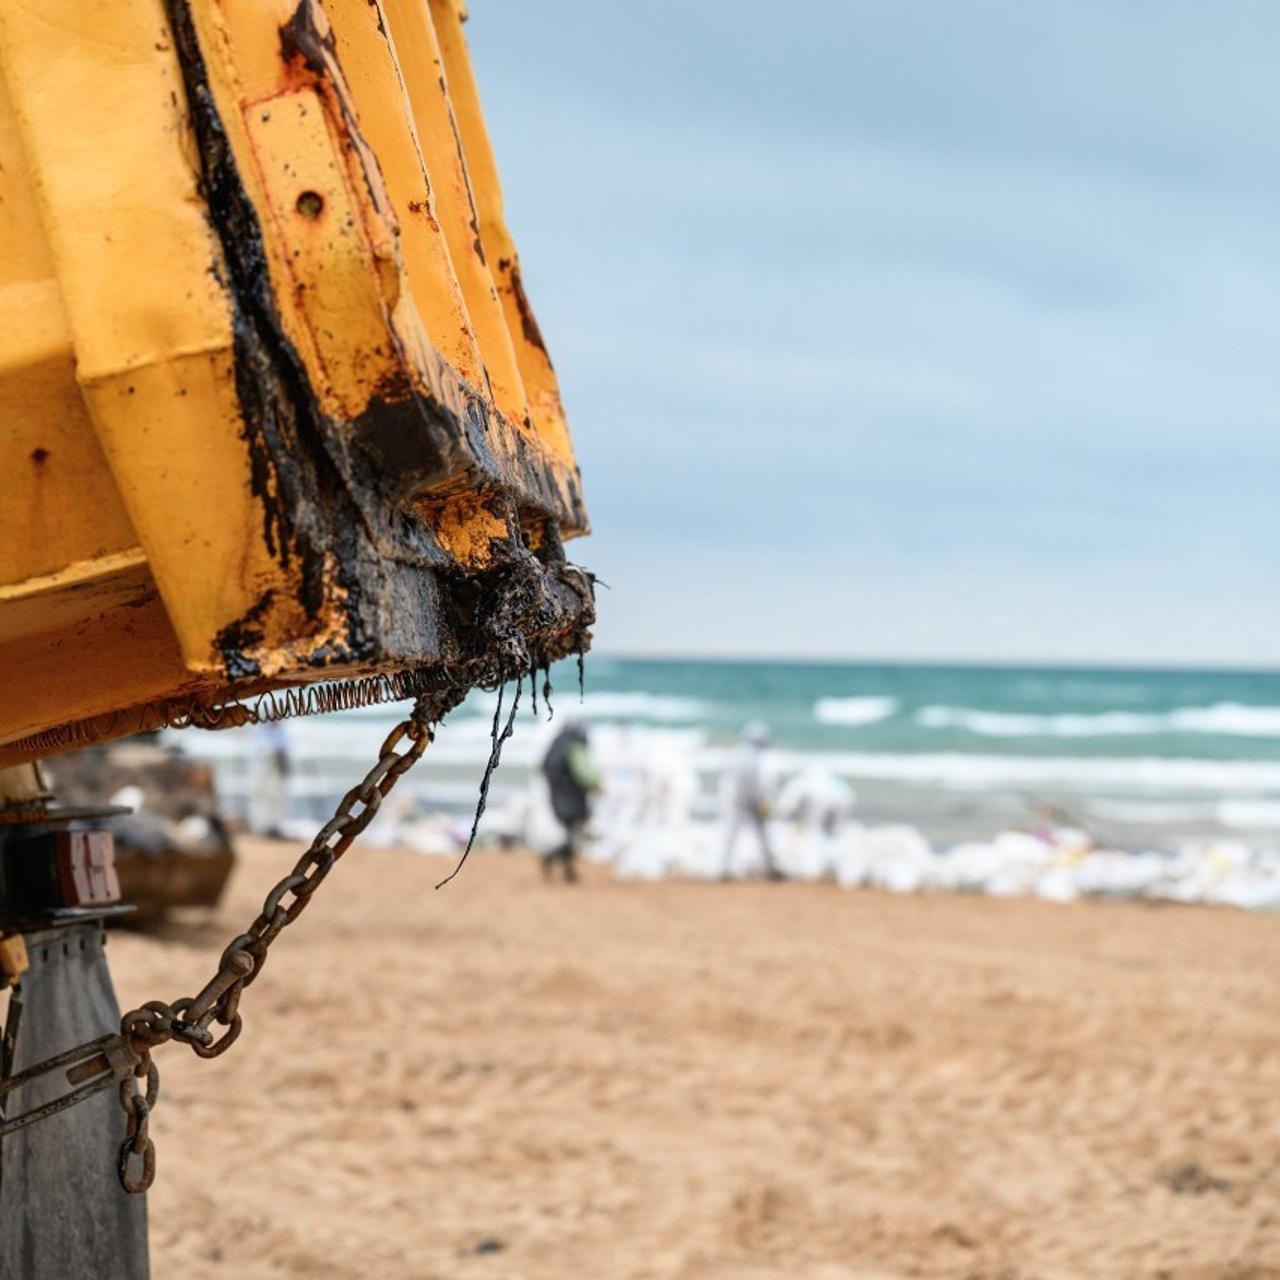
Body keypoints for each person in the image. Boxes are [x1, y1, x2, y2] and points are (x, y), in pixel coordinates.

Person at [722, 722, 784, 880]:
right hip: (747, 803)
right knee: (762, 837)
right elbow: (754, 784)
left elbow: (729, 782)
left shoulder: (738, 756)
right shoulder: (753, 759)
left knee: (733, 837)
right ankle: (770, 868)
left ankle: (724, 868)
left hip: (739, 802)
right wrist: (760, 802)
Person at [539, 721, 600, 882]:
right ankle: (551, 857)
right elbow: (586, 774)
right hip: (573, 801)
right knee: (573, 838)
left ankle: (569, 870)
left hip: (557, 799)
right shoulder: (574, 748)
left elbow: (542, 769)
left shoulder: (556, 747)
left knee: (570, 836)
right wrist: (598, 786)